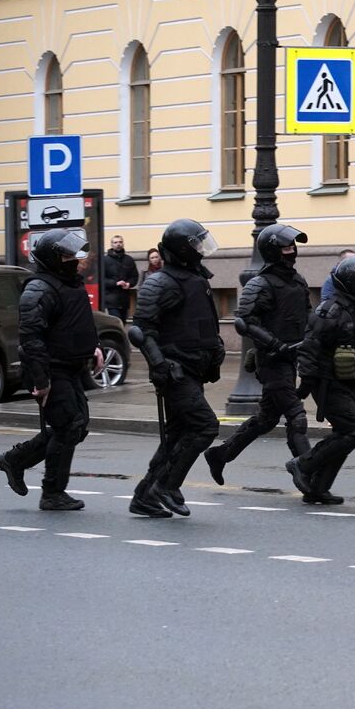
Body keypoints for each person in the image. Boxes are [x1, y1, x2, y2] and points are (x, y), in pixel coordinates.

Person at [0, 228, 104, 510]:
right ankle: (52, 493)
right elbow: (31, 339)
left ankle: (15, 460)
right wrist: (41, 381)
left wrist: (94, 347)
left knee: (76, 429)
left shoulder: (68, 283)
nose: (74, 259)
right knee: (69, 426)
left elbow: (76, 322)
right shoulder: (39, 289)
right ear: (54, 258)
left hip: (70, 367)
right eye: (67, 254)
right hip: (51, 369)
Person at [129, 219, 226, 518]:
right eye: (196, 244)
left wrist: (215, 351)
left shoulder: (194, 277)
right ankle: (167, 486)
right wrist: (159, 364)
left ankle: (144, 496)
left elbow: (201, 322)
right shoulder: (160, 282)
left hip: (194, 369)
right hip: (175, 371)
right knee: (205, 426)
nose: (201, 250)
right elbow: (141, 330)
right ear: (182, 250)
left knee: (177, 435)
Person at [203, 223, 312, 485]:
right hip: (272, 361)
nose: (291, 251)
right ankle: (310, 474)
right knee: (296, 415)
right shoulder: (260, 283)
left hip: (293, 357)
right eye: (286, 246)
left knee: (267, 419)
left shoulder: (298, 280)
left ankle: (221, 454)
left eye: (293, 246)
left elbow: (306, 315)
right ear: (273, 250)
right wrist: (274, 344)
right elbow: (244, 322)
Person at [287, 254, 355, 504]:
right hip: (329, 383)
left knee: (347, 434)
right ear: (351, 281)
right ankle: (302, 464)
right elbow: (309, 349)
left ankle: (318, 488)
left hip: (354, 383)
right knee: (352, 432)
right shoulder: (329, 311)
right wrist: (306, 384)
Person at [102, 234, 139, 322]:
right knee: (117, 321)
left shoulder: (129, 259)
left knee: (123, 321)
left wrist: (129, 284)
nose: (118, 244)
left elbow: (134, 276)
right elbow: (101, 279)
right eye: (115, 242)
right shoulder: (105, 260)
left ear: (123, 244)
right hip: (111, 299)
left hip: (124, 299)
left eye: (120, 242)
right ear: (111, 244)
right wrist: (115, 283)